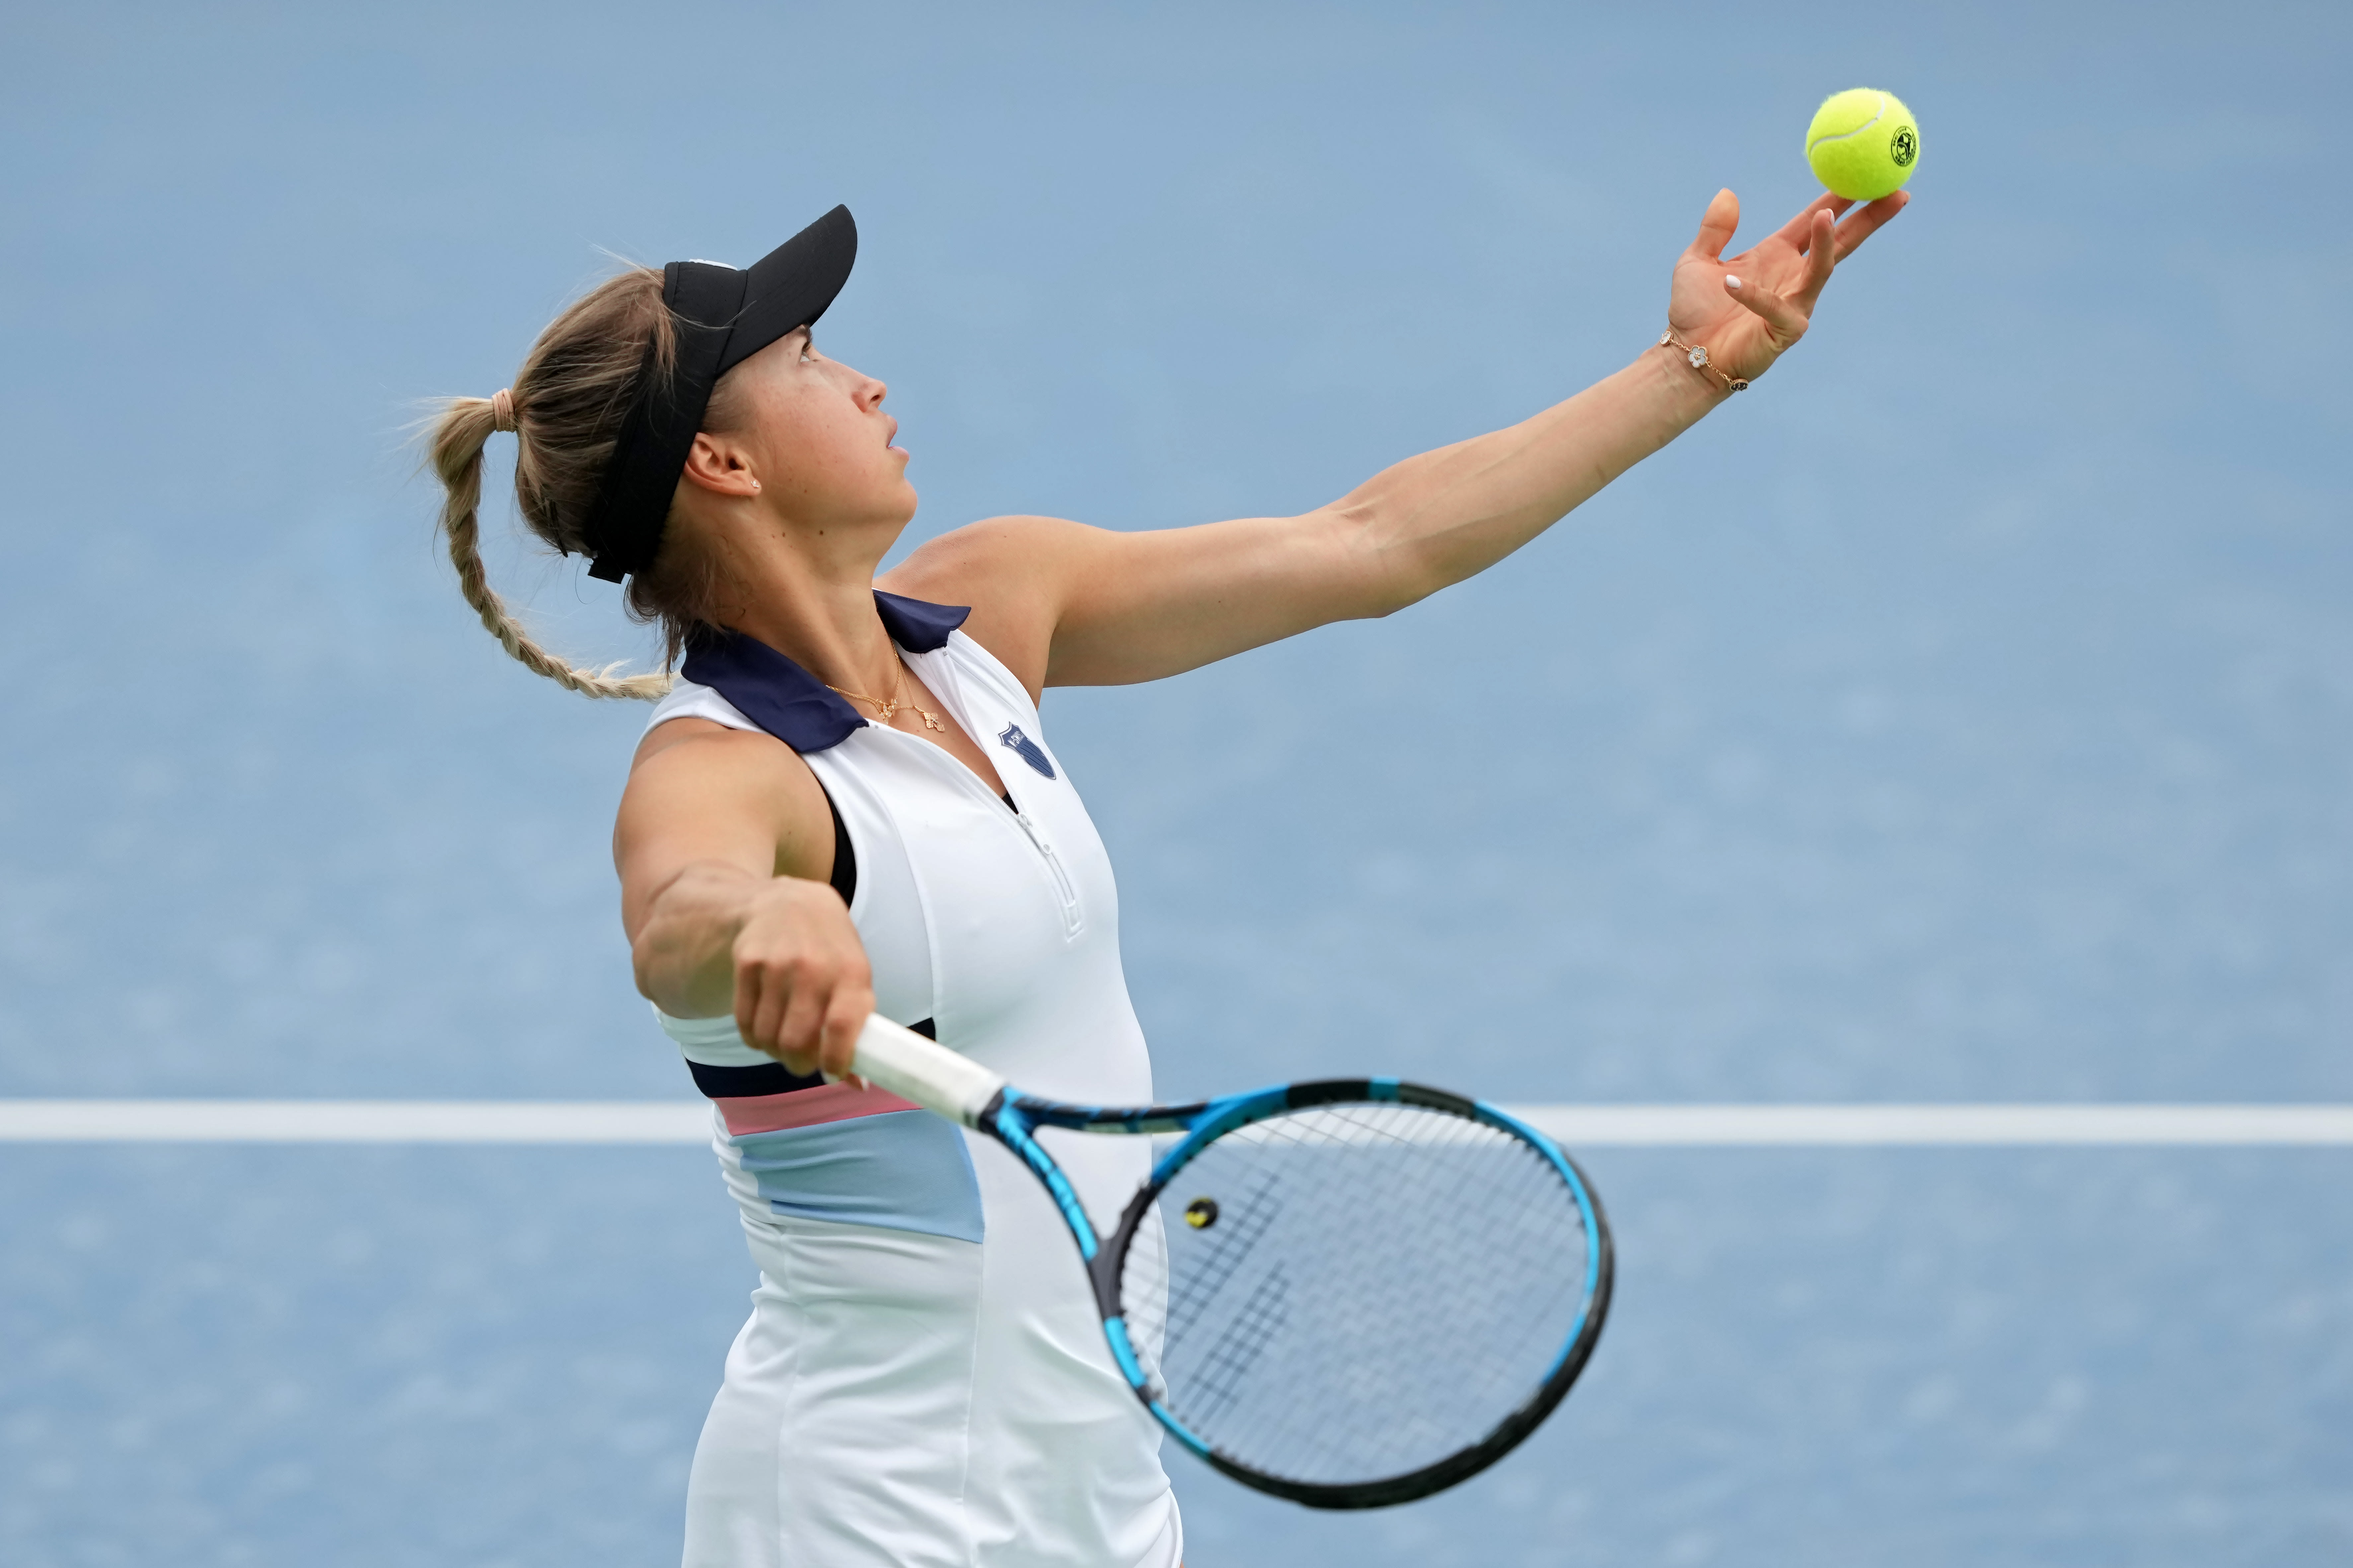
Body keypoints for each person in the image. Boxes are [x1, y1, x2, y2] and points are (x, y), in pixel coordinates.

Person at [423, 187, 1905, 1567]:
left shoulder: (987, 611)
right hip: (858, 1515)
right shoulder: (725, 767)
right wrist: (771, 918)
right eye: (813, 361)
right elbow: (682, 909)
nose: (868, 382)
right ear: (723, 461)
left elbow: (1370, 542)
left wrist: (1695, 366)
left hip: (1100, 1503)